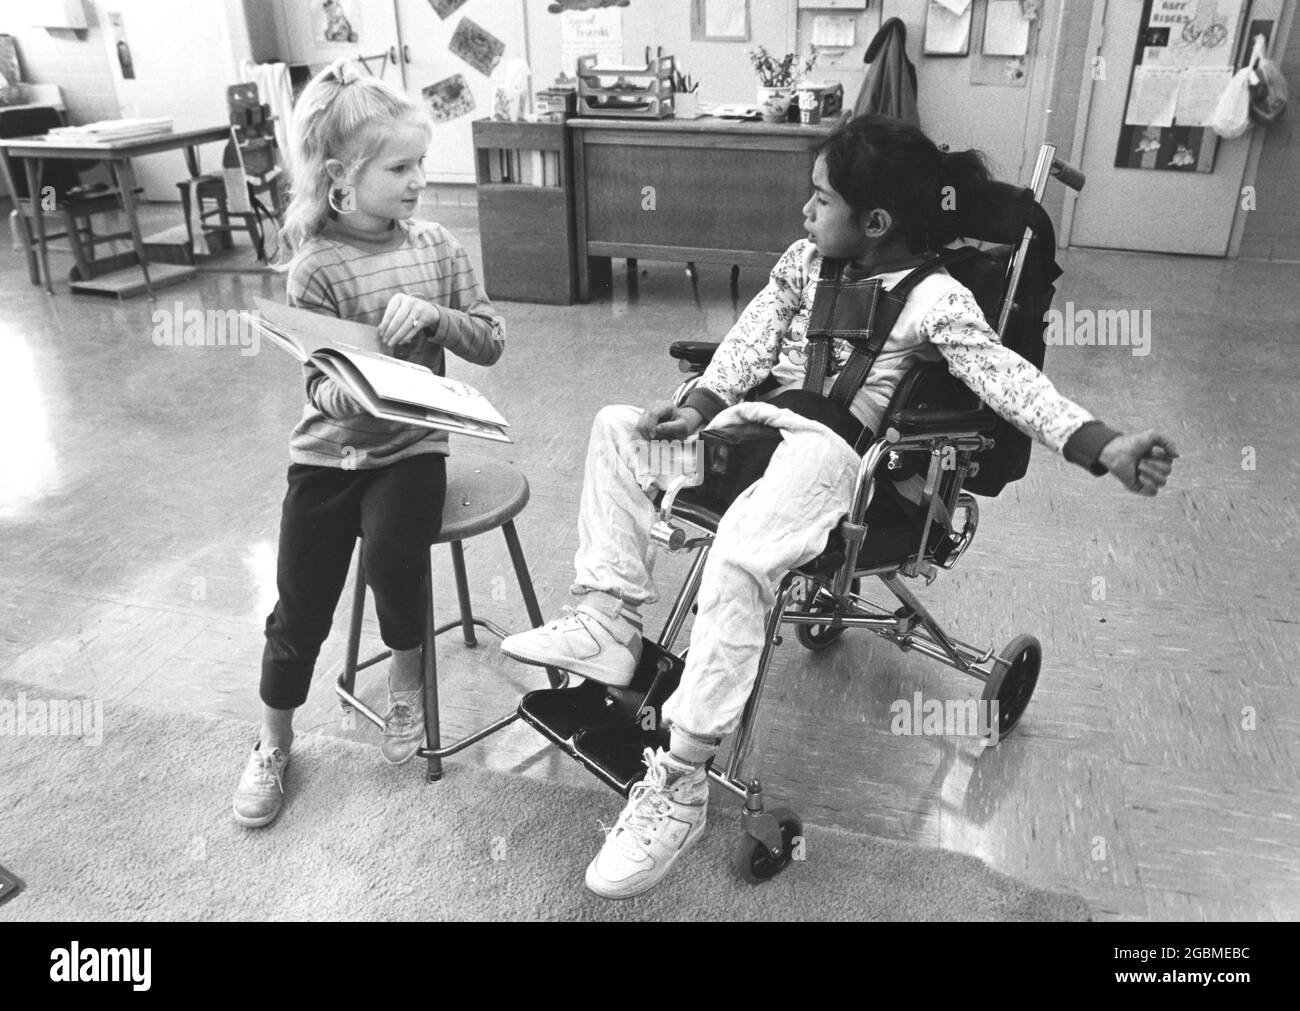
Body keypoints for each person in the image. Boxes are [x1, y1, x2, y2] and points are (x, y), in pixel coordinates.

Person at [501, 114, 1177, 898]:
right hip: (750, 433)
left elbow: (1007, 381)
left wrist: (1101, 443)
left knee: (743, 554)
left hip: (835, 462)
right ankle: (610, 621)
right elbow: (751, 341)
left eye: (820, 200)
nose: (805, 213)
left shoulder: (937, 300)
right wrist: (700, 405)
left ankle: (680, 780)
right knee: (620, 428)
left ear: (877, 222)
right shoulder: (802, 262)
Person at [232, 60, 505, 828]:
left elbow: (490, 339)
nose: (419, 178)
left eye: (421, 162)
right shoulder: (315, 266)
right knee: (299, 608)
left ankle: (407, 686)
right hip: (328, 454)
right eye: (401, 166)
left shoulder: (438, 247)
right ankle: (272, 743)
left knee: (394, 556)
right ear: (341, 182)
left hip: (412, 450)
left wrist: (434, 319)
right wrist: (348, 387)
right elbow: (313, 385)